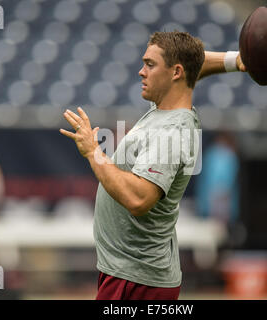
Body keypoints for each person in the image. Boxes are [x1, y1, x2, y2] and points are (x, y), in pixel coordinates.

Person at [60, 31, 246, 300]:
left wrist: (93, 152)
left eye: (149, 64)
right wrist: (237, 60)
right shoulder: (167, 104)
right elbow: (194, 63)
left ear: (175, 73)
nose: (140, 72)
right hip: (132, 273)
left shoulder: (171, 133)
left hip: (137, 280)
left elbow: (138, 199)